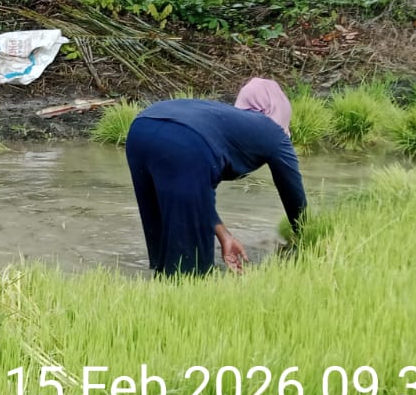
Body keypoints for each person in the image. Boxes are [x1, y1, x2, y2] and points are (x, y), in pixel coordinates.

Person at [124, 78, 306, 276]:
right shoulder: (275, 133)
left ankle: (160, 285)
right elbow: (294, 197)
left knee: (164, 247)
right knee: (192, 268)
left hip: (141, 129)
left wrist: (224, 236)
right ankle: (189, 286)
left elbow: (199, 195)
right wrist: (308, 235)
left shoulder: (223, 121)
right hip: (184, 140)